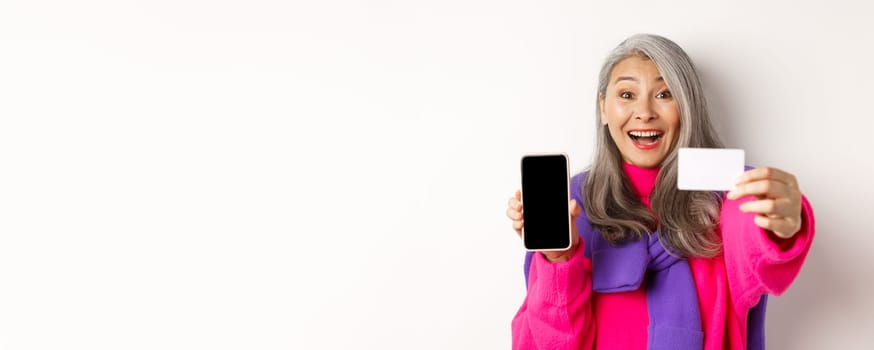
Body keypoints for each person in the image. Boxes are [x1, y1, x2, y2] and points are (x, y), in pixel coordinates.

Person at [505, 34, 815, 350]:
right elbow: (548, 344)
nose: (645, 112)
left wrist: (783, 223)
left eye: (665, 93)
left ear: (687, 106)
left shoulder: (730, 190)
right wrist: (558, 260)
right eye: (627, 94)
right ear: (603, 109)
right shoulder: (572, 204)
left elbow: (755, 235)